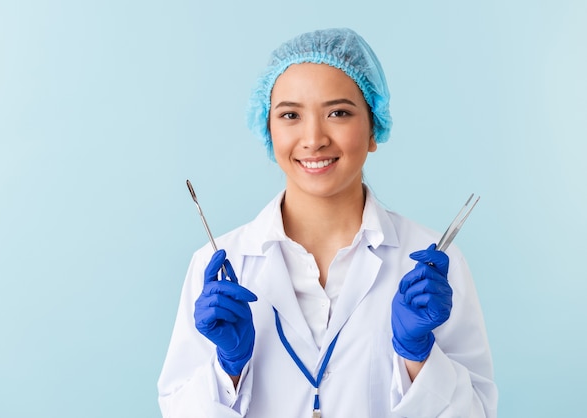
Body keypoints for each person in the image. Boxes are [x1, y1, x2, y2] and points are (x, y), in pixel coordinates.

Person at [158, 28, 498, 417]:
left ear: (374, 128)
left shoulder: (433, 265)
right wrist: (228, 368)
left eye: (338, 113)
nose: (314, 138)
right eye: (290, 115)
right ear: (268, 130)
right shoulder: (217, 265)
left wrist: (417, 359)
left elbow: (477, 411)